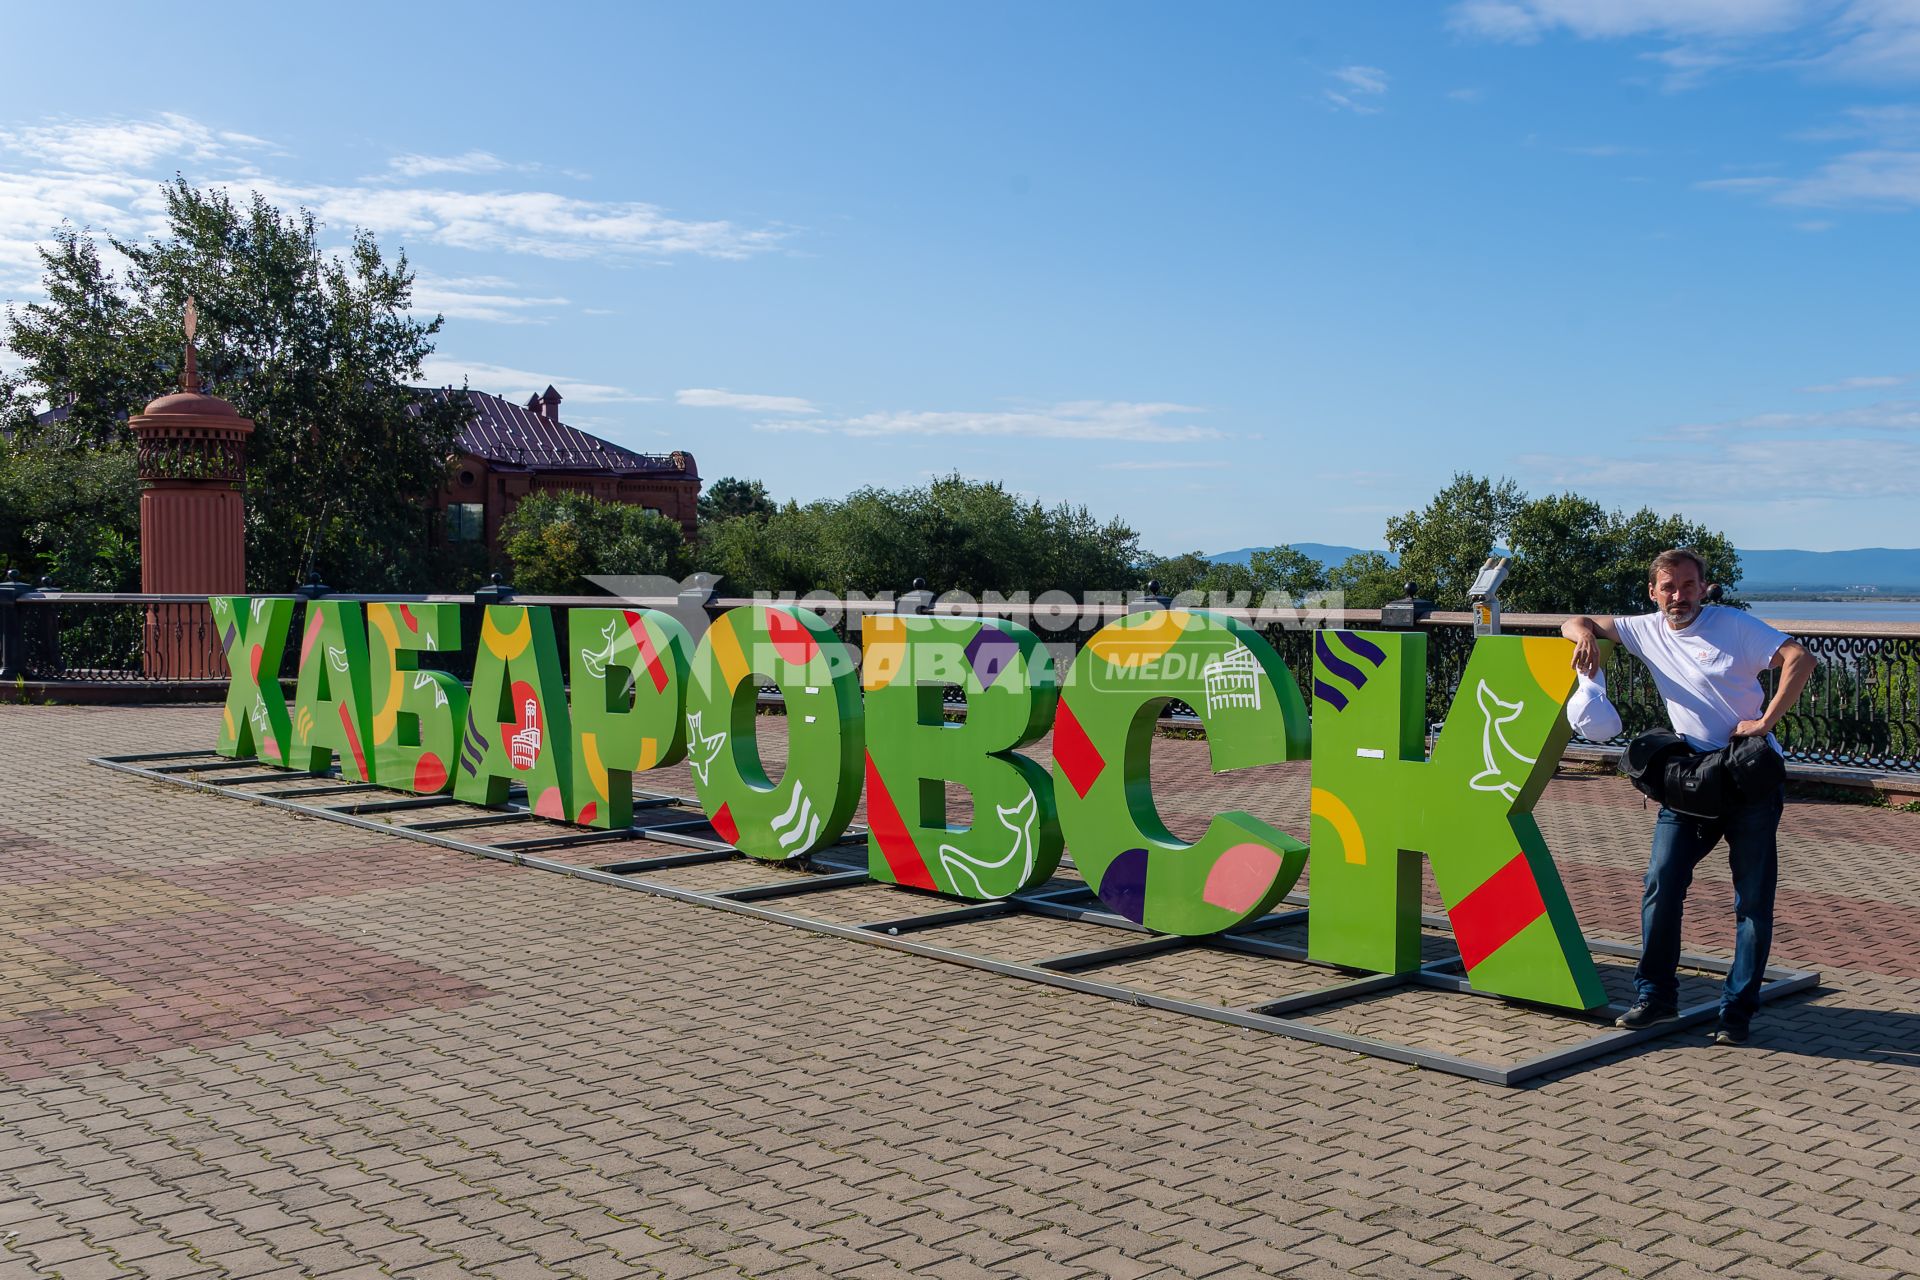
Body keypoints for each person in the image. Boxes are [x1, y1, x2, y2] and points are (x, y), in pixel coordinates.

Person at [1561, 548, 1814, 1045]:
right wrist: (1586, 634)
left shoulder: (1734, 625)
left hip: (1748, 779)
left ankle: (1736, 1013)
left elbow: (1798, 658)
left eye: (1688, 585)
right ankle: (1655, 998)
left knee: (1752, 902)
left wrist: (1765, 723)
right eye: (1668, 587)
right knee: (1661, 882)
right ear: (1653, 592)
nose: (1679, 596)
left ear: (1703, 587)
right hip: (1692, 782)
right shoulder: (1646, 628)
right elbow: (1574, 621)